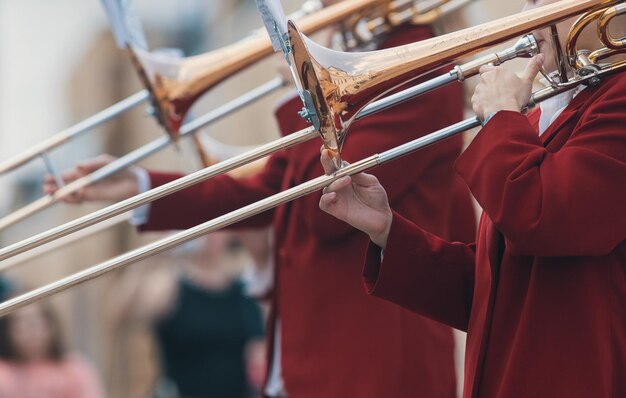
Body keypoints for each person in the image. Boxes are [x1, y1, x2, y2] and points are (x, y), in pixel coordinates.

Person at [44, 5, 476, 398]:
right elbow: (269, 190)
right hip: (307, 363)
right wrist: (139, 186)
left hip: (372, 366)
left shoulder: (416, 64)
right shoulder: (352, 60)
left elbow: (326, 207)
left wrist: (300, 97)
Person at [318, 1, 626, 397]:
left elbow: (542, 220)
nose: (528, 13)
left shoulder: (613, 103)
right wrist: (387, 230)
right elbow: (497, 288)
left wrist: (500, 118)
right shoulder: (538, 117)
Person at [110, 233, 266, 398]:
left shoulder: (245, 289)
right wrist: (147, 256)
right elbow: (118, 314)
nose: (211, 235)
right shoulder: (170, 286)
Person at [0, 292, 105, 398]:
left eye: (35, 322)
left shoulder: (74, 369)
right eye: (20, 323)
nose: (30, 330)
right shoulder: (3, 374)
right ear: (8, 329)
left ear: (51, 324)